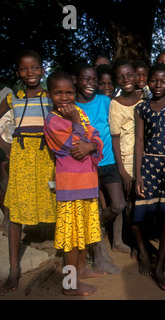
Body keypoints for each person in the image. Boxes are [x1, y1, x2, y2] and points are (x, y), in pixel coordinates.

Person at [0, 50, 57, 292]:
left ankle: (70, 257)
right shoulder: (13, 98)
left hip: (48, 157)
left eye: (35, 67)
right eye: (24, 69)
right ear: (17, 73)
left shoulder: (51, 97)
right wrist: (6, 147)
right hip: (22, 159)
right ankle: (15, 268)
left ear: (43, 69)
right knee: (16, 212)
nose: (30, 72)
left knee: (58, 204)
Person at [43, 70, 104, 296]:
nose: (64, 98)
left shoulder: (78, 112)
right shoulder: (52, 120)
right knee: (70, 238)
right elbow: (72, 147)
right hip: (70, 188)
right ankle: (70, 284)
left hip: (88, 182)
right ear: (49, 95)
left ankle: (81, 270)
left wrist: (92, 145)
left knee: (84, 233)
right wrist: (79, 126)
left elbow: (95, 136)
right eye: (58, 93)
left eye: (69, 92)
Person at [71, 63, 127, 275]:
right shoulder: (72, 107)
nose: (91, 83)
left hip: (109, 161)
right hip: (85, 167)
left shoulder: (105, 101)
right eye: (87, 79)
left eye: (94, 79)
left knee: (119, 204)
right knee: (92, 208)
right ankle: (99, 258)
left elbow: (113, 130)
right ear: (75, 79)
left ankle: (97, 231)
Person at [134, 63, 165, 289]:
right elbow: (139, 141)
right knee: (143, 214)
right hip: (149, 164)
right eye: (154, 80)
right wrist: (138, 175)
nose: (158, 85)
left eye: (163, 81)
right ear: (148, 81)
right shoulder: (141, 108)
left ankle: (160, 264)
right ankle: (150, 255)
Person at [108, 59, 144, 269]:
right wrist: (122, 170)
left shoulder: (145, 98)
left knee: (142, 202)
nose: (126, 80)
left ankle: (142, 241)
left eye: (129, 75)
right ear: (116, 81)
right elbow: (115, 138)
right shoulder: (115, 104)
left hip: (146, 157)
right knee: (130, 203)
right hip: (127, 160)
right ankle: (130, 243)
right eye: (120, 77)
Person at [0, 86, 13, 236]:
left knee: (6, 182)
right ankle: (6, 216)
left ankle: (8, 217)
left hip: (7, 144)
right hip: (3, 144)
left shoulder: (9, 94)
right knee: (3, 184)